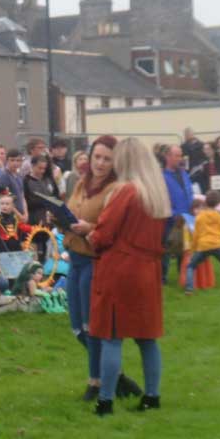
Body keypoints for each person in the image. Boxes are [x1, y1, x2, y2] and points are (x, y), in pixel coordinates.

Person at [87, 137, 169, 416]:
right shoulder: (156, 192)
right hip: (148, 269)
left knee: (111, 336)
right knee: (147, 337)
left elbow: (104, 234)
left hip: (120, 269)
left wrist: (88, 233)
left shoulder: (125, 192)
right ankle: (152, 395)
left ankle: (106, 400)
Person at [64, 135, 135, 402]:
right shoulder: (82, 183)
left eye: (107, 158)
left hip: (96, 261)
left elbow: (113, 230)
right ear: (90, 156)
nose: (101, 163)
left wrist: (88, 229)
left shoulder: (115, 189)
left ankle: (95, 382)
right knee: (77, 328)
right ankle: (115, 376)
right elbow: (72, 211)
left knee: (92, 326)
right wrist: (61, 218)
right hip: (75, 259)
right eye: (97, 157)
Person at [185, 191, 220, 294]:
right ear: (218, 203)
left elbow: (196, 234)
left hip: (203, 245)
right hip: (218, 244)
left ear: (205, 201)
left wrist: (193, 250)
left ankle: (189, 288)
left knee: (191, 266)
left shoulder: (199, 216)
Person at [161, 144, 191, 285]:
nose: (180, 159)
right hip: (171, 221)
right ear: (167, 157)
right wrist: (173, 214)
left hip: (187, 218)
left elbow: (189, 193)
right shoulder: (162, 177)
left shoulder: (184, 174)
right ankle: (162, 278)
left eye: (181, 155)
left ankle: (183, 275)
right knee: (166, 249)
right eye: (177, 155)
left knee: (185, 248)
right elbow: (162, 201)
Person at [0, 149, 28, 214]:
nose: (15, 163)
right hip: (9, 215)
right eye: (12, 160)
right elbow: (3, 200)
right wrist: (20, 216)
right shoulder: (4, 175)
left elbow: (22, 196)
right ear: (7, 161)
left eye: (18, 160)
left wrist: (25, 213)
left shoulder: (19, 175)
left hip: (21, 212)